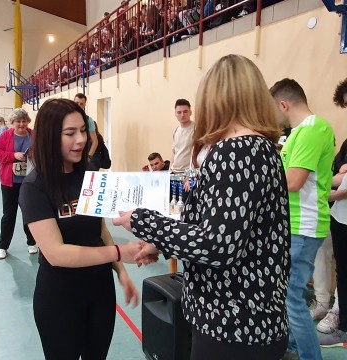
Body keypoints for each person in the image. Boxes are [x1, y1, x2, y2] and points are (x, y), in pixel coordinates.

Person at [114, 54, 290, 360]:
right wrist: (161, 244)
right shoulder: (261, 148)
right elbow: (222, 227)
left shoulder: (235, 152)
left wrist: (143, 221)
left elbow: (216, 245)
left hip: (233, 325)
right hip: (250, 320)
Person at [18, 98, 140, 359]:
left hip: (99, 291)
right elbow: (56, 253)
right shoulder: (34, 187)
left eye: (83, 130)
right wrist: (118, 254)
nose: (81, 139)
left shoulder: (90, 171)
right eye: (70, 133)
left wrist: (121, 273)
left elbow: (100, 230)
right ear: (51, 136)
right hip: (60, 297)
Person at [270, 78, 335, 360]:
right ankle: (295, 347)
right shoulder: (299, 132)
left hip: (304, 227)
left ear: (283, 104)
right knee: (289, 297)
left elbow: (293, 181)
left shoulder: (312, 129)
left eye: (273, 109)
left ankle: (309, 355)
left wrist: (258, 181)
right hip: (295, 225)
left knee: (292, 299)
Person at [318, 78, 347, 347]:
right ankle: (340, 317)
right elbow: (335, 174)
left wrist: (334, 183)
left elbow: (338, 180)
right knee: (342, 269)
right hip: (340, 217)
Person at [0, 108, 37, 259]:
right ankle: (3, 247)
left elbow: (42, 151)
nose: (21, 124)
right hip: (9, 183)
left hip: (29, 183)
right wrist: (13, 156)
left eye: (24, 121)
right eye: (18, 121)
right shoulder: (5, 135)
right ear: (12, 123)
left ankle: (31, 243)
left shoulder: (33, 135)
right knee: (9, 215)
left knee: (29, 214)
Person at [73, 93, 99, 170]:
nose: (78, 105)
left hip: (83, 156)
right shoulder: (65, 118)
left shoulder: (89, 121)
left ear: (84, 105)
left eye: (81, 104)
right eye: (76, 103)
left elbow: (95, 141)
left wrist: (89, 157)